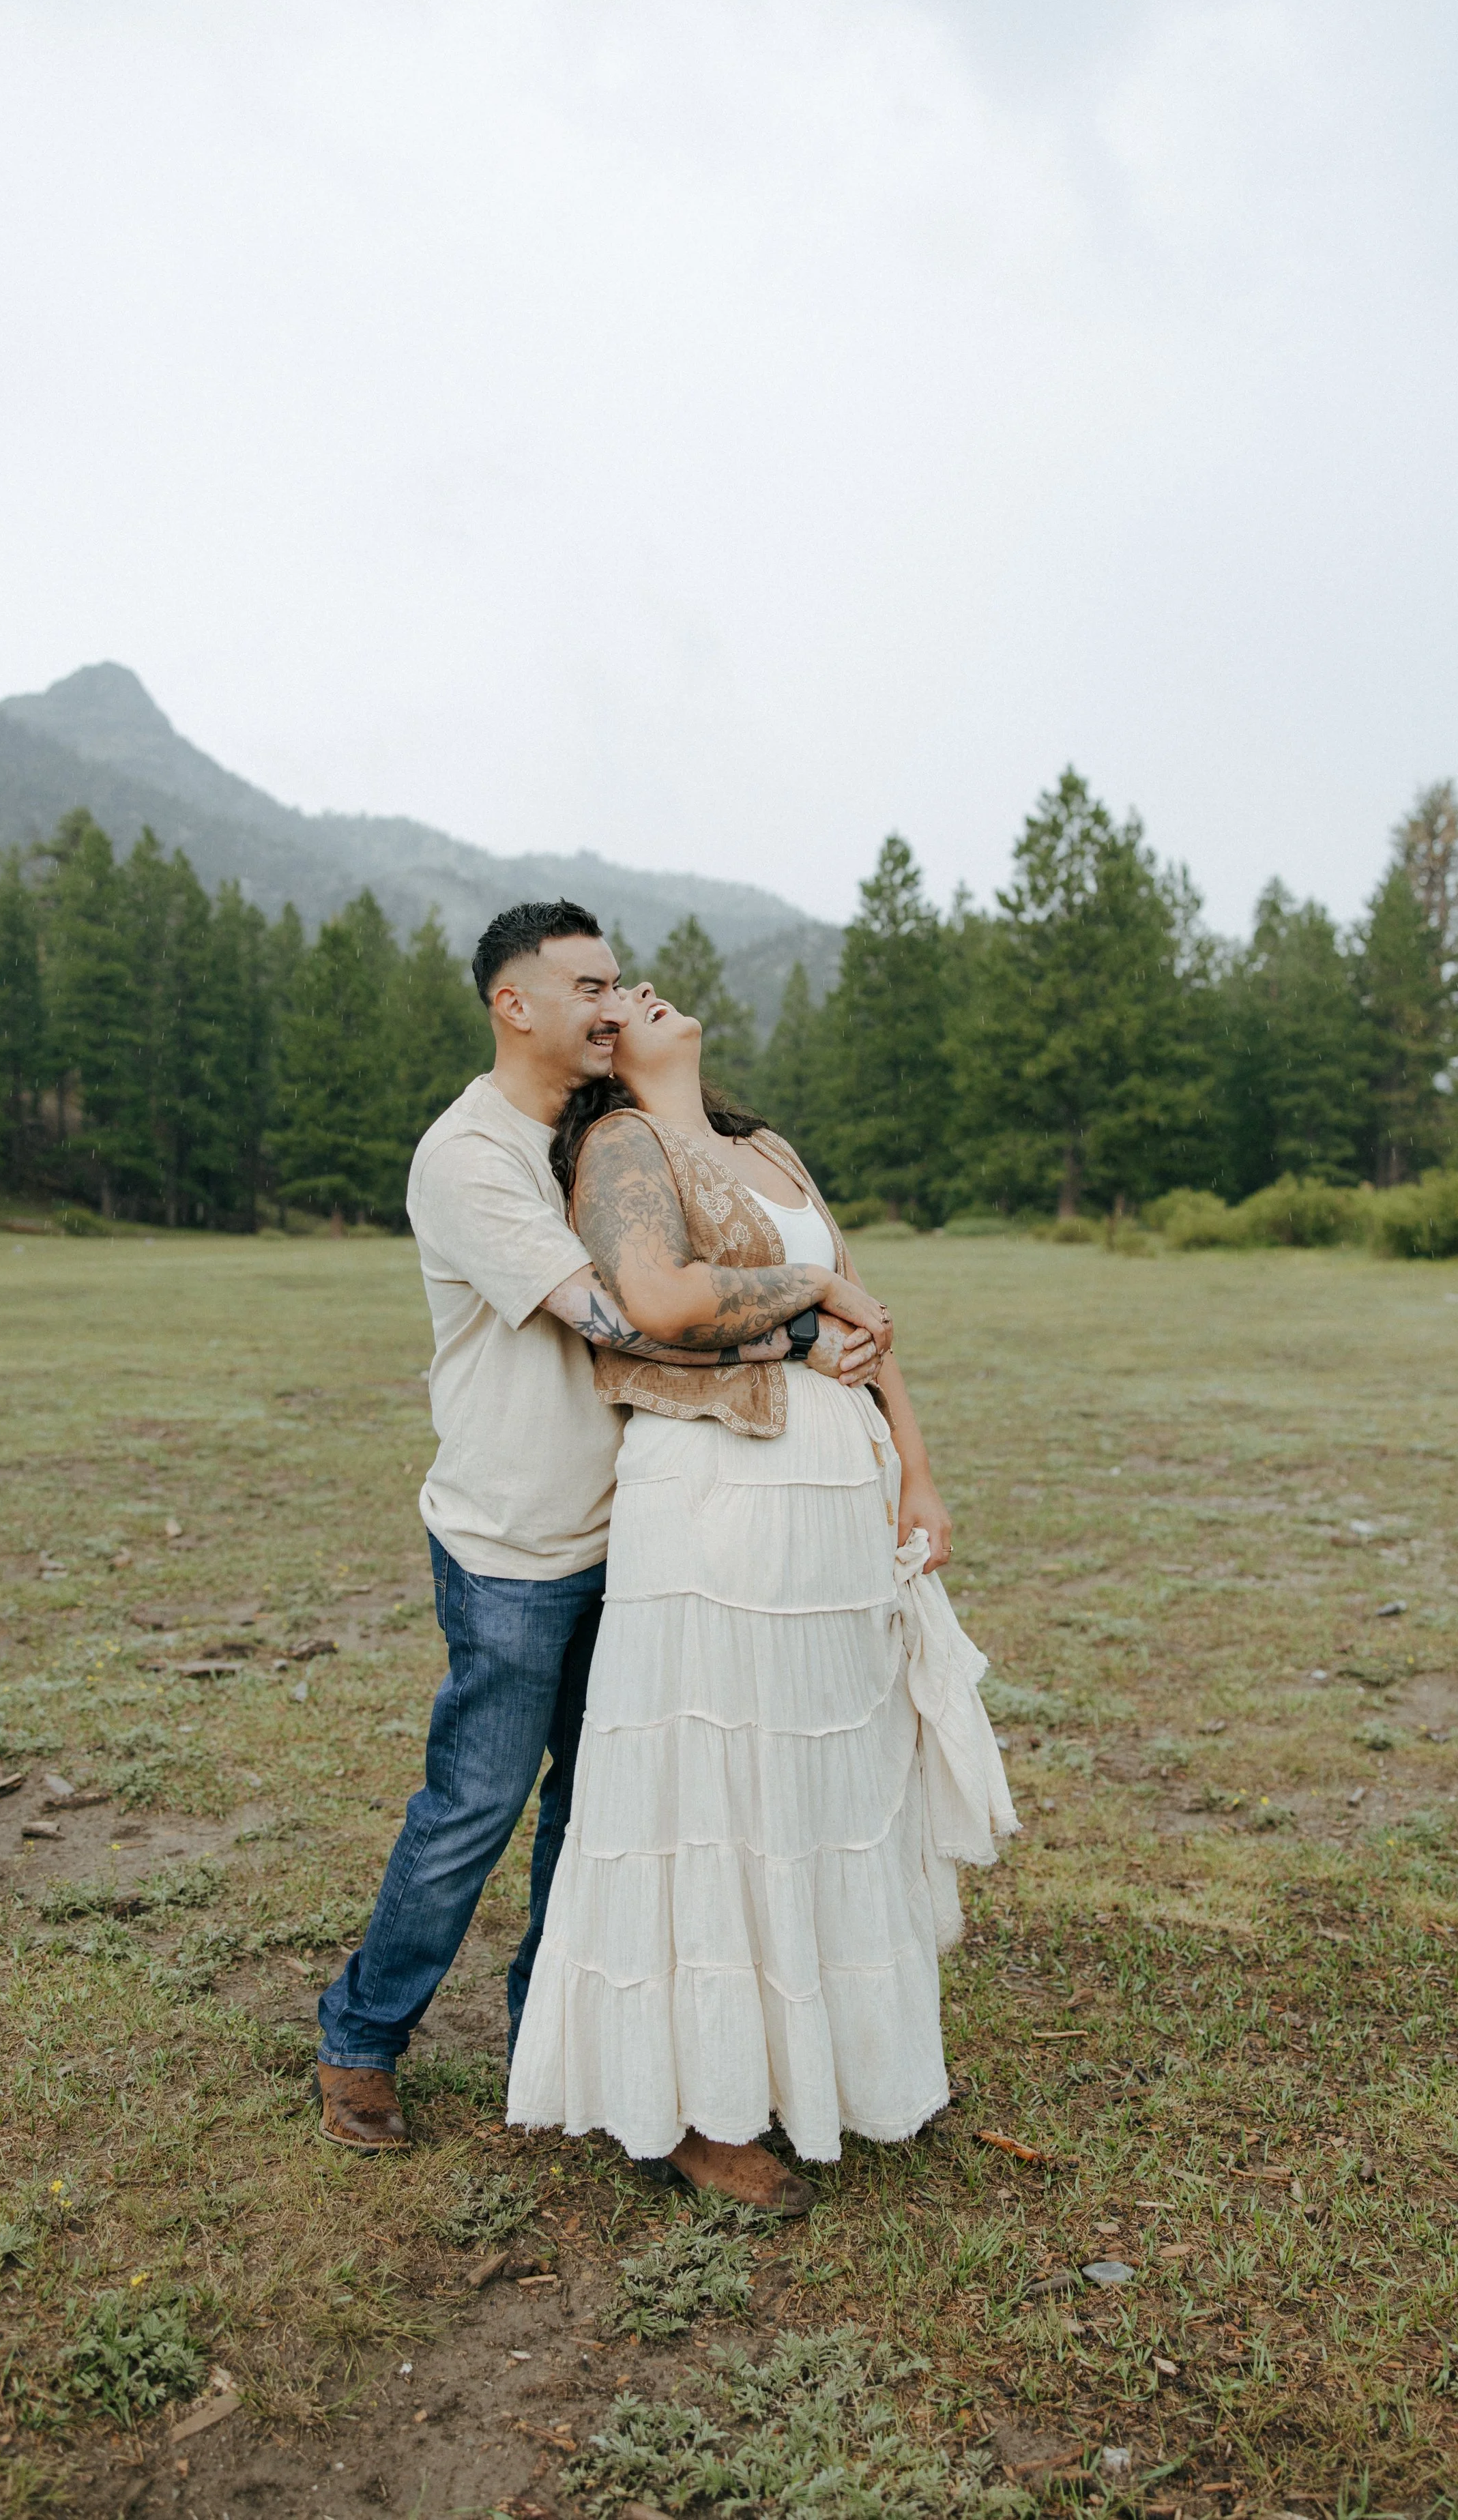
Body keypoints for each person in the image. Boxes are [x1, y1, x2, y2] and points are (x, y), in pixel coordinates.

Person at [315, 901, 882, 2152]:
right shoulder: (470, 1155)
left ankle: (546, 2036)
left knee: (604, 1809)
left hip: (647, 1530)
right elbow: (621, 1316)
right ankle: (361, 2035)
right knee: (477, 1801)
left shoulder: (599, 1133)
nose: (612, 1004)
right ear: (513, 1003)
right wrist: (804, 1314)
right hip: (518, 1541)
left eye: (619, 984)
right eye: (588, 985)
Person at [506, 980, 1016, 2211]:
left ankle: (820, 2065)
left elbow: (868, 1311)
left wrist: (921, 1471)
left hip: (834, 1493)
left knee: (821, 1775)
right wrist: (813, 1298)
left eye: (640, 982)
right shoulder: (625, 1146)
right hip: (717, 1497)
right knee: (716, 1781)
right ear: (617, 1052)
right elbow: (667, 1298)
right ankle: (696, 2104)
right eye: (618, 993)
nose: (639, 990)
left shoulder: (766, 1148)